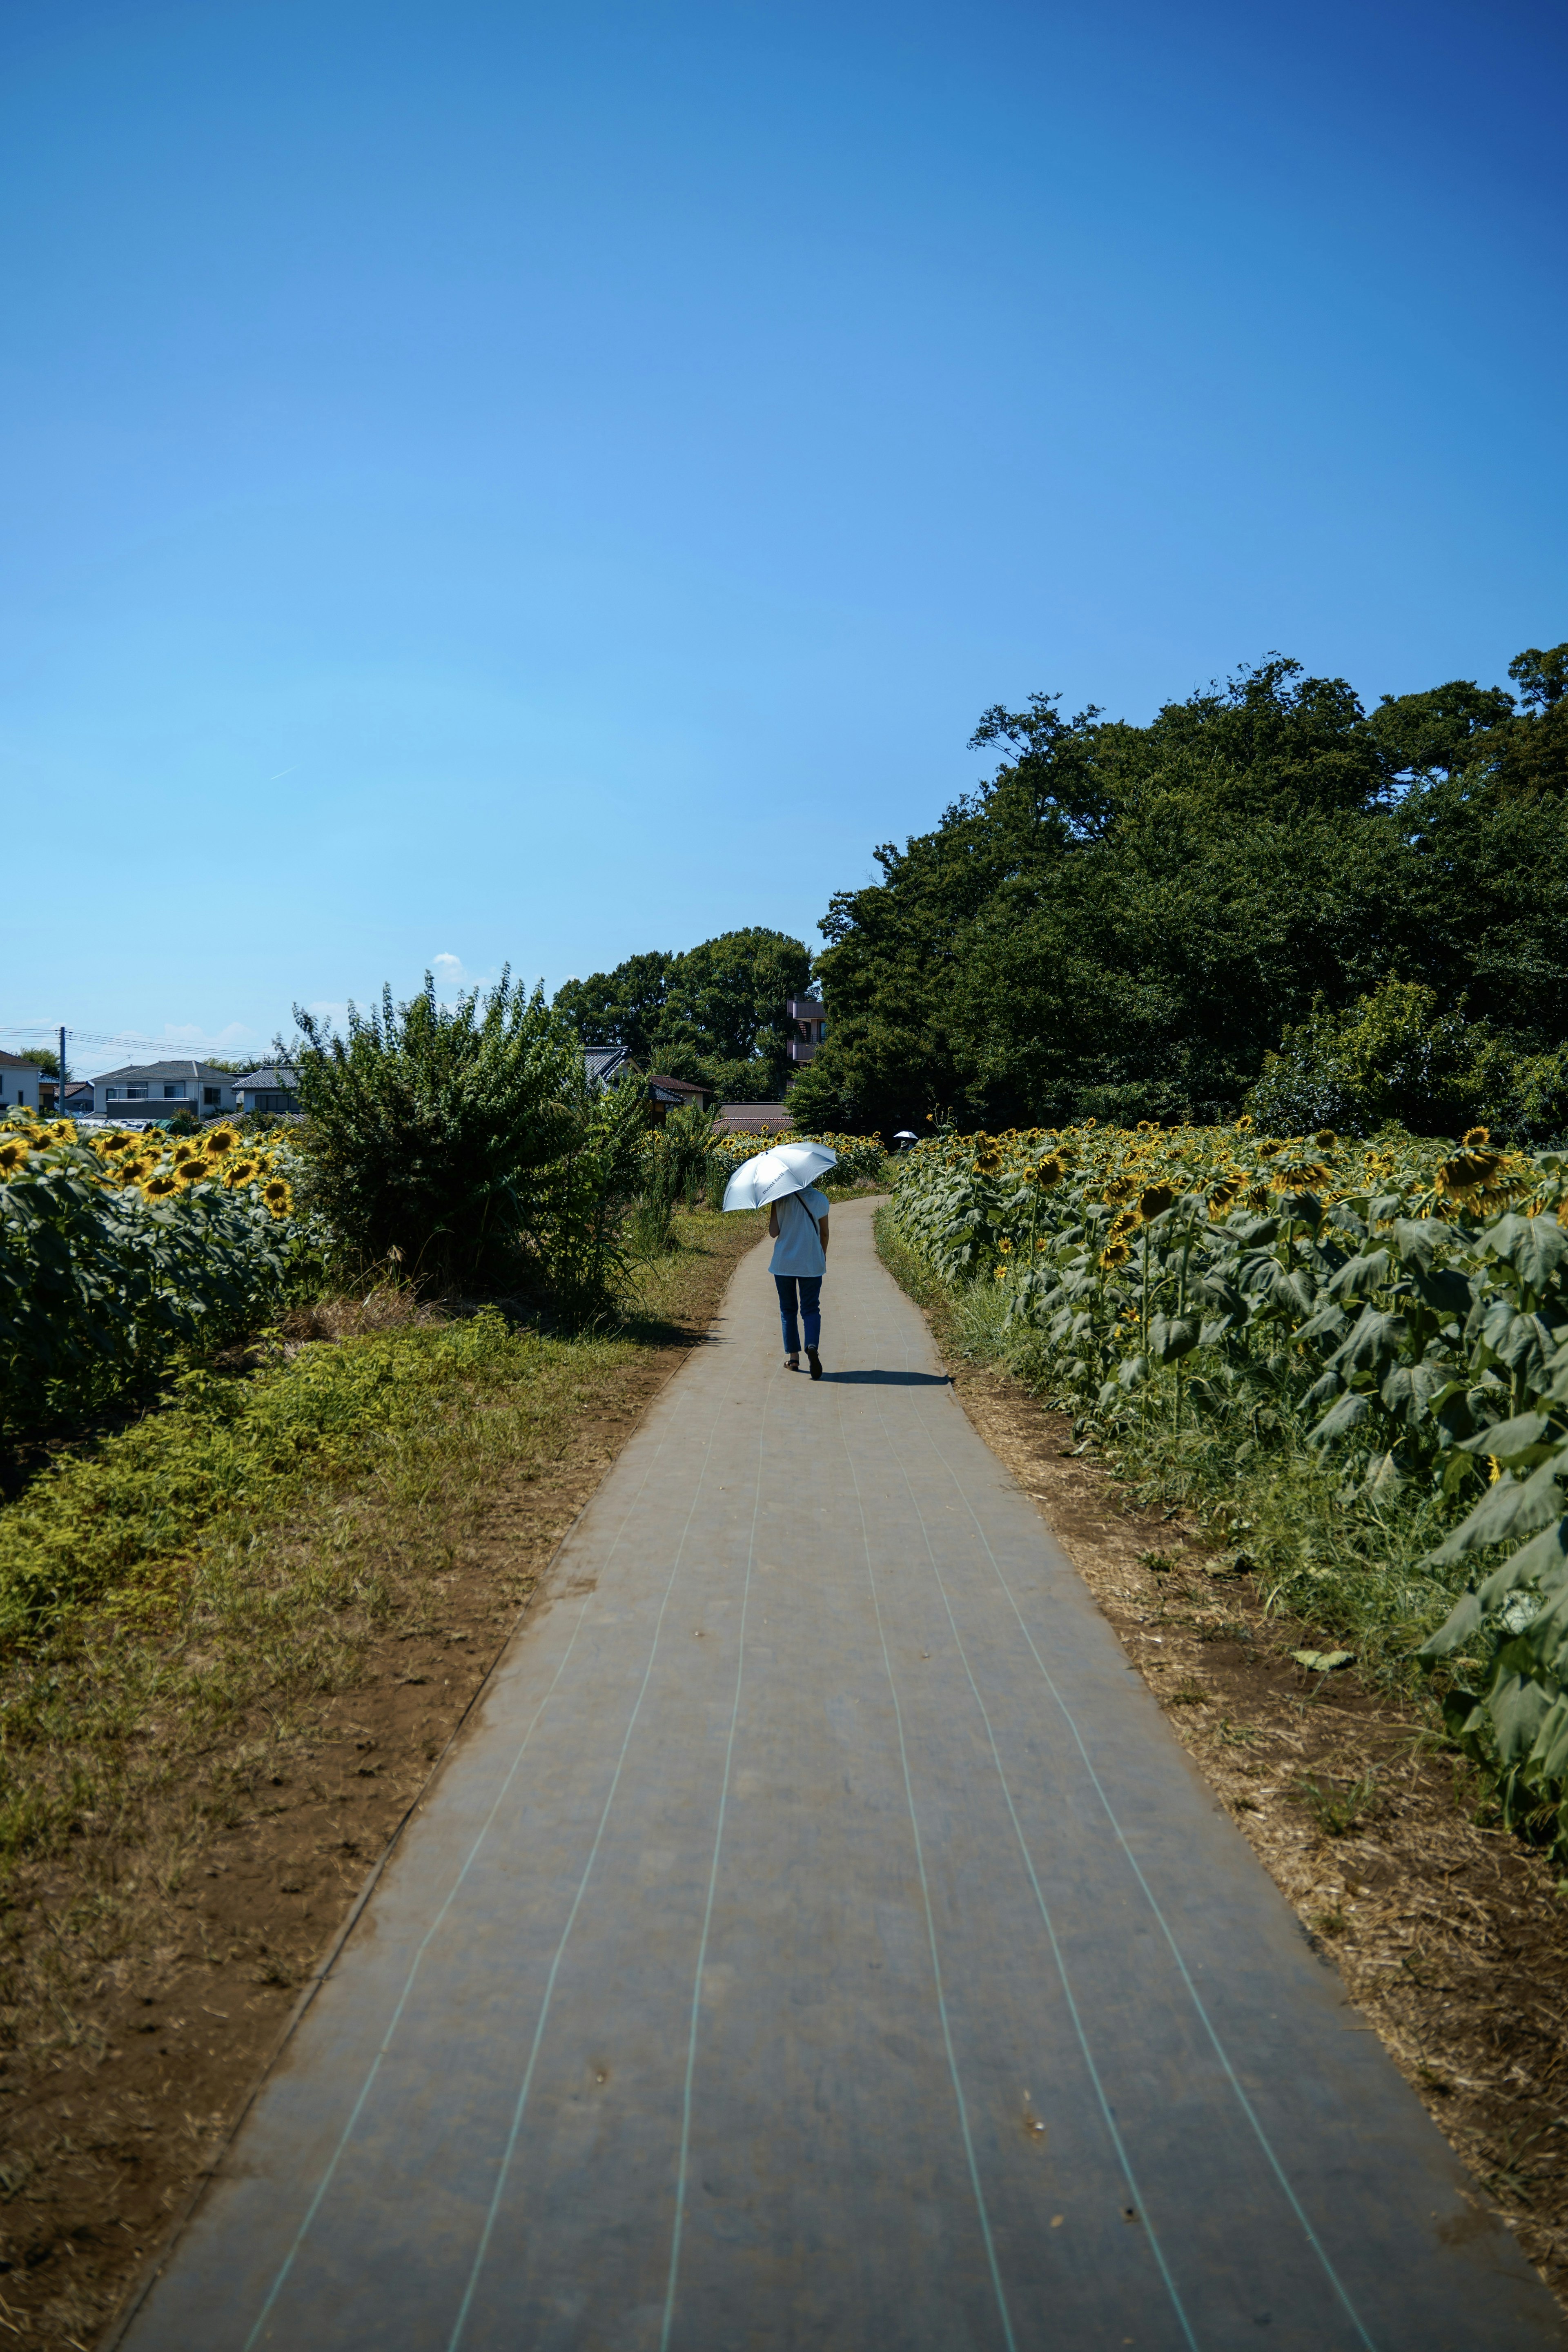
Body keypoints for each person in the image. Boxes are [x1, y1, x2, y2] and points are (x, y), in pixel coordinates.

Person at [768, 1182, 830, 1377]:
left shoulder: (780, 1199)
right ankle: (811, 1345)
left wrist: (774, 1205)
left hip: (784, 1265)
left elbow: (773, 1232)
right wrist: (821, 1257)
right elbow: (825, 1234)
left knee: (788, 1310)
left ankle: (794, 1358)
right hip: (811, 1264)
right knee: (811, 1309)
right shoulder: (820, 1199)